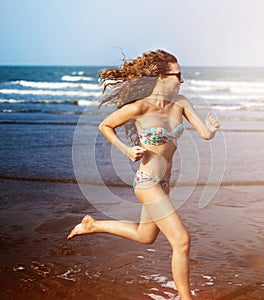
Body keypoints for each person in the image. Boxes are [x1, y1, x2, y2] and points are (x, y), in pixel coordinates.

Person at [67, 49, 220, 299]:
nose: (182, 80)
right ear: (160, 76)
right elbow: (105, 125)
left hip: (164, 182)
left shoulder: (181, 103)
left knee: (145, 235)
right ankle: (186, 298)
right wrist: (126, 150)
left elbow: (203, 134)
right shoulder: (139, 107)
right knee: (181, 241)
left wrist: (211, 129)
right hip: (147, 182)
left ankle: (93, 225)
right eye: (177, 75)